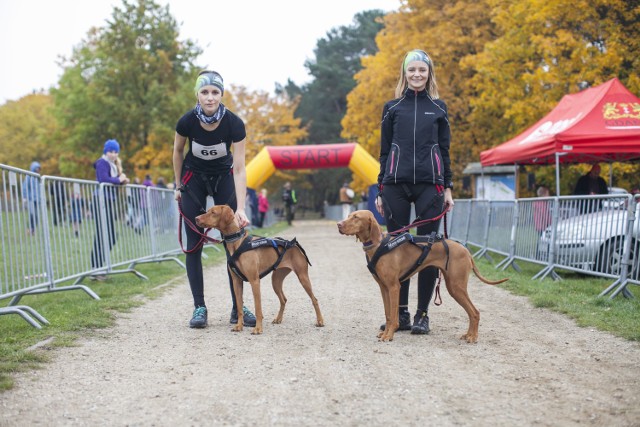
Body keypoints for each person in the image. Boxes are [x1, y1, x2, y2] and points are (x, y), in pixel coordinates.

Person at [375, 49, 454, 335]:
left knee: (428, 249)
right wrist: (381, 188)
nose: (417, 75)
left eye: (422, 70)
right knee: (397, 249)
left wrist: (447, 188)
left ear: (429, 73)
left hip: (429, 186)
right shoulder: (392, 108)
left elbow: (444, 152)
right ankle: (401, 314)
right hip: (395, 185)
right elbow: (384, 151)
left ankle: (422, 314)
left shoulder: (440, 107)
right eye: (412, 70)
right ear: (405, 73)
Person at [173, 70, 256, 329]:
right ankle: (199, 307)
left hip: (223, 178)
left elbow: (240, 168)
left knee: (233, 244)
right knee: (193, 242)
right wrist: (178, 185)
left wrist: (240, 207)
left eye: (215, 92)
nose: (210, 98)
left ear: (221, 94)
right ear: (197, 94)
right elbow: (177, 151)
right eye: (205, 92)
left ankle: (237, 306)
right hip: (193, 179)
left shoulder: (234, 124)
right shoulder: (186, 121)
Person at [90, 139, 129, 280]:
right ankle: (96, 268)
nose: (113, 154)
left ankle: (98, 267)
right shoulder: (102, 163)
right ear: (105, 151)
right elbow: (103, 179)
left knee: (110, 235)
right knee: (103, 234)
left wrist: (122, 180)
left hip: (107, 201)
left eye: (116, 152)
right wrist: (118, 180)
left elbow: (109, 181)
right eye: (111, 151)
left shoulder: (112, 165)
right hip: (99, 201)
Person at [22, 161, 41, 236]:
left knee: (35, 216)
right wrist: (25, 197)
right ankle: (29, 229)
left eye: (39, 168)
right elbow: (25, 187)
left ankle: (32, 230)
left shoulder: (38, 177)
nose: (38, 170)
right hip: (31, 199)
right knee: (32, 214)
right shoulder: (29, 176)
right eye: (37, 168)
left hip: (37, 200)